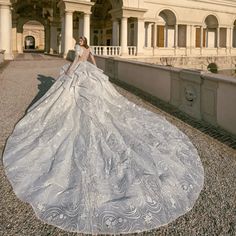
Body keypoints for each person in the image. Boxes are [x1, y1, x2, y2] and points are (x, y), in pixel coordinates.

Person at [3, 36, 204, 234]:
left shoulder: (79, 49)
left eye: (80, 41)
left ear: (80, 43)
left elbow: (74, 62)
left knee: (76, 103)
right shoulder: (89, 49)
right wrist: (96, 69)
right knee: (99, 102)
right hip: (90, 74)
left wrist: (69, 74)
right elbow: (93, 61)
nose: (80, 43)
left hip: (80, 75)